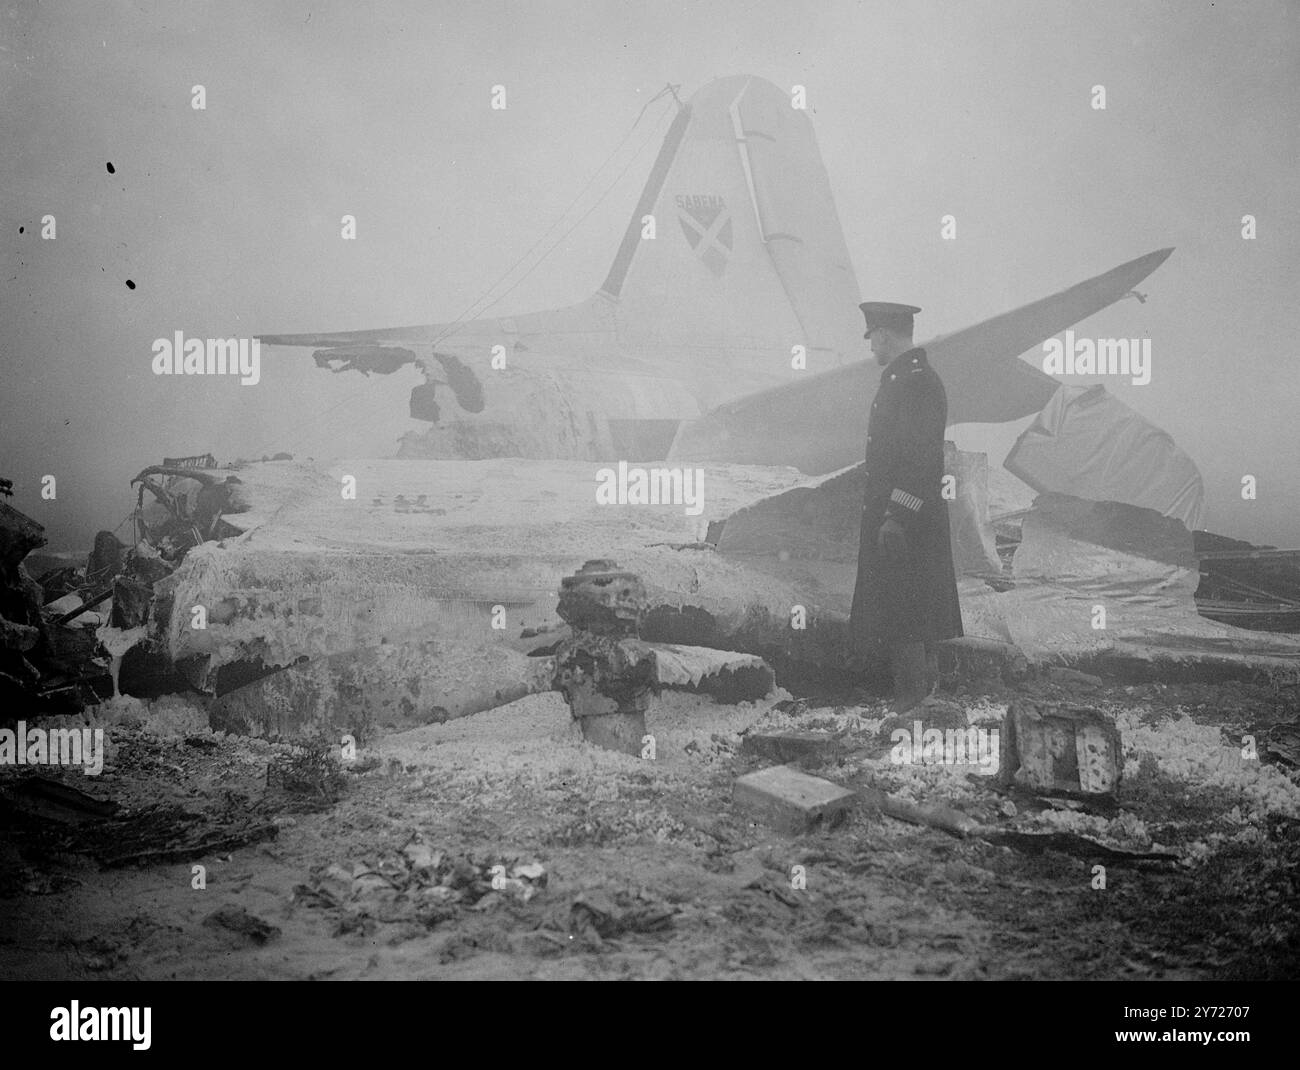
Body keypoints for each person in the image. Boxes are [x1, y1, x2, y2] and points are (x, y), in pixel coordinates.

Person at [849, 302, 963, 712]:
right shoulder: (907, 378)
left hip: (907, 518)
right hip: (908, 514)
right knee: (911, 606)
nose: (872, 348)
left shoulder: (914, 382)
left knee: (906, 610)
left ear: (883, 334)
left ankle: (914, 701)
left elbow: (919, 456)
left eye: (873, 338)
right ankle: (922, 699)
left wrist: (897, 514)